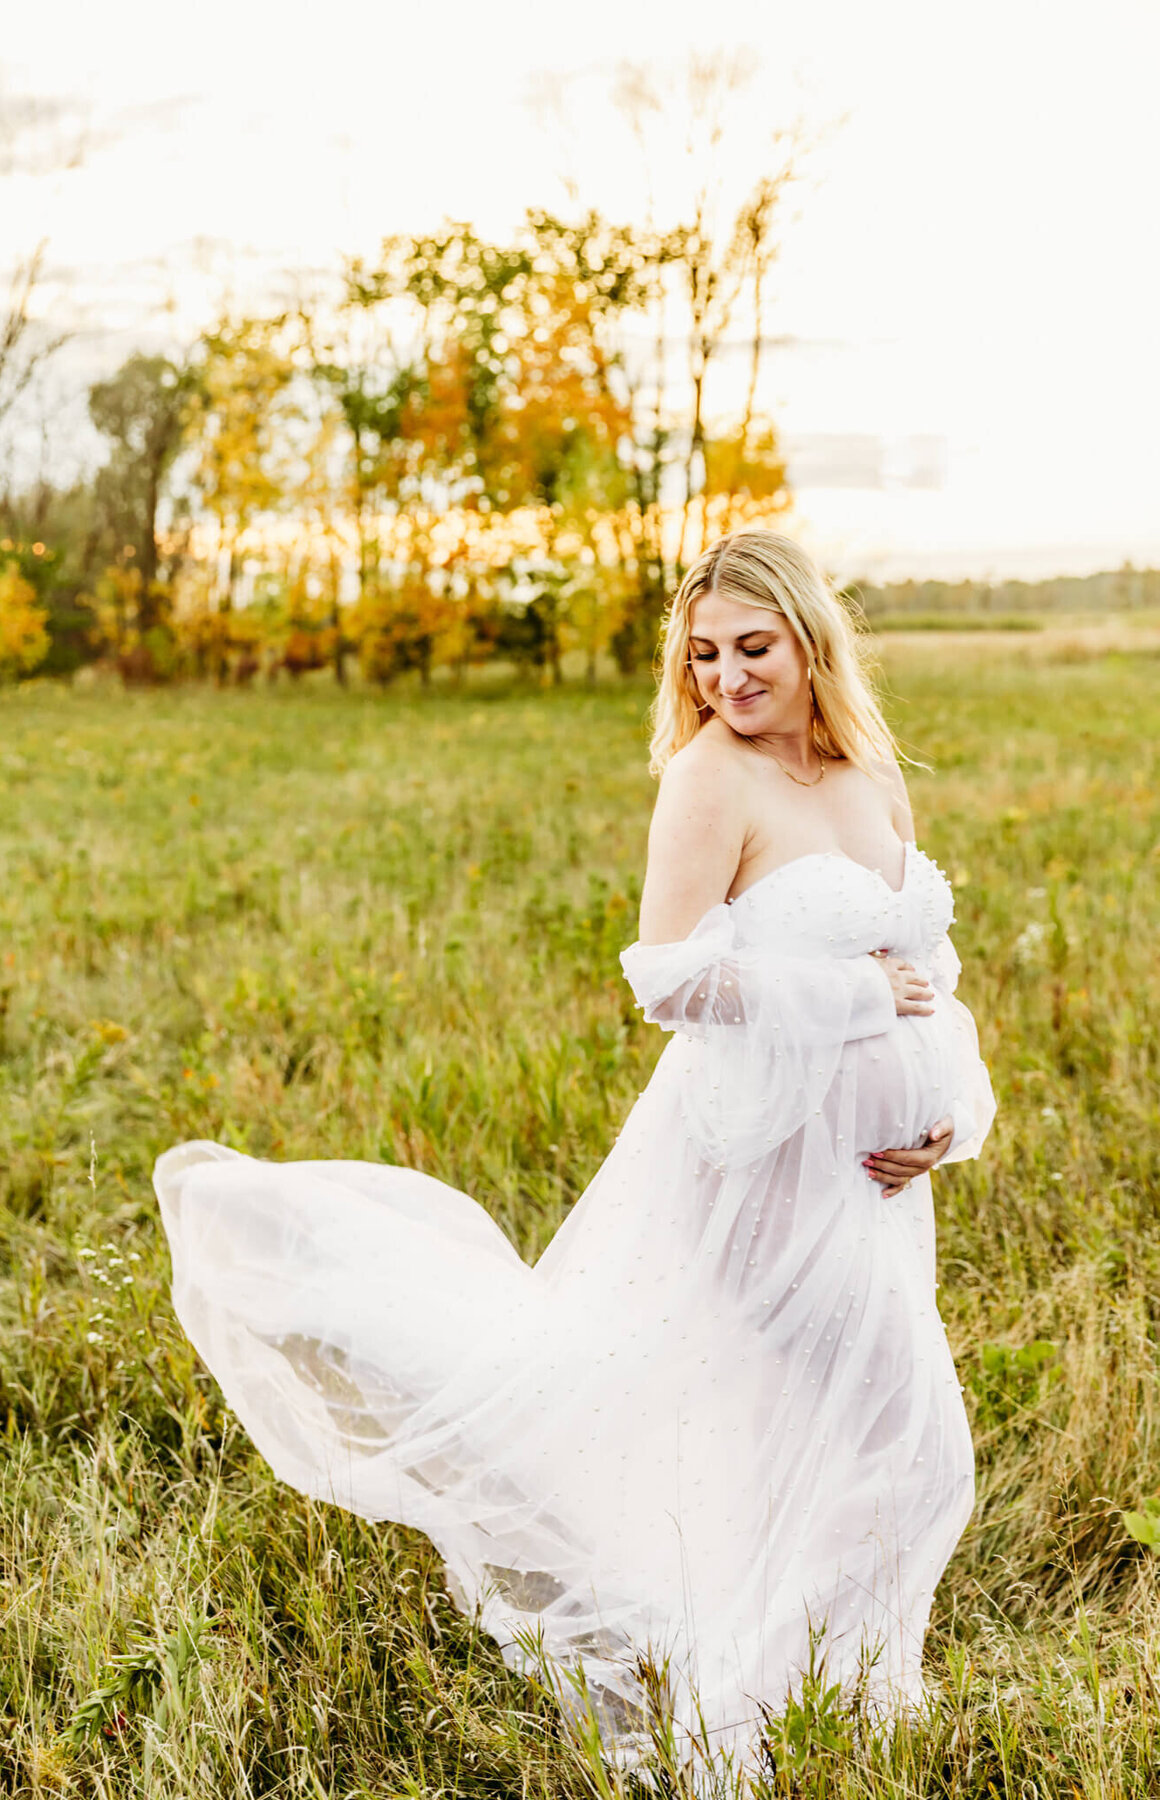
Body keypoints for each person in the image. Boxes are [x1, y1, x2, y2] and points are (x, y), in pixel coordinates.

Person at [154, 529, 995, 1779]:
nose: (726, 678)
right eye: (703, 654)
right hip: (758, 1169)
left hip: (870, 1183)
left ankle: (836, 1689)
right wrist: (858, 1000)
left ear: (813, 640)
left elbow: (923, 962)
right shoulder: (711, 779)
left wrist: (947, 1109)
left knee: (826, 1438)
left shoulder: (868, 772)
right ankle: (751, 1708)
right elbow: (671, 982)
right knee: (907, 1436)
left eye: (753, 648)